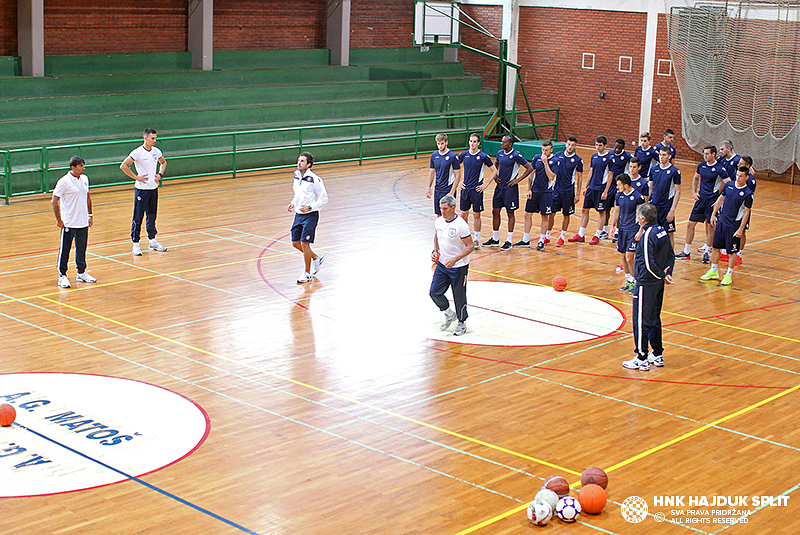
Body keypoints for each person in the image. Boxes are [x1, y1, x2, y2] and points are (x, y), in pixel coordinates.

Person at [623, 203, 675, 371]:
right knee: (653, 318)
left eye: (638, 215)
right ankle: (657, 354)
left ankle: (641, 357)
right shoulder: (661, 231)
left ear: (643, 219)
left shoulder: (647, 235)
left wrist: (660, 274)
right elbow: (670, 255)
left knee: (640, 320)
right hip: (658, 283)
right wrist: (667, 273)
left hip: (646, 283)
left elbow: (647, 262)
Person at [700, 167, 753, 286]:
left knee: (732, 251)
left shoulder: (747, 194)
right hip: (721, 222)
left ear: (746, 177)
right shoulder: (729, 185)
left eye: (741, 176)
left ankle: (728, 274)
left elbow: (746, 212)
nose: (738, 178)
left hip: (733, 225)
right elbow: (720, 199)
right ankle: (713, 271)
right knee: (716, 247)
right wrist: (713, 215)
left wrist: (741, 228)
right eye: (737, 175)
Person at [675, 145, 729, 263]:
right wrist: (694, 192)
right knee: (690, 224)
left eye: (707, 154)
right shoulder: (701, 166)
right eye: (704, 154)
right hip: (701, 200)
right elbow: (695, 178)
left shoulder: (719, 169)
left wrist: (719, 199)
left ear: (713, 154)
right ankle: (686, 251)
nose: (705, 156)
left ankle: (706, 253)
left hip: (711, 202)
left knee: (710, 227)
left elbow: (728, 184)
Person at [430, 195, 474, 336]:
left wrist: (455, 259)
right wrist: (435, 250)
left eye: (445, 208)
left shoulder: (461, 226)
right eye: (441, 208)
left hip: (458, 267)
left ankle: (462, 322)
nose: (442, 211)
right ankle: (449, 313)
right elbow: (436, 236)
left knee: (459, 296)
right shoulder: (439, 222)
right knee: (434, 292)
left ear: (453, 208)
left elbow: (470, 246)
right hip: (443, 264)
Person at [120, 128, 168, 256]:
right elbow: (124, 165)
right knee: (138, 216)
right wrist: (137, 177)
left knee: (152, 215)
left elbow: (163, 162)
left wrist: (160, 174)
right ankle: (135, 243)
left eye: (155, 138)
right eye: (152, 138)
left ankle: (152, 240)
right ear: (145, 138)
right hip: (142, 190)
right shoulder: (137, 152)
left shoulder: (156, 152)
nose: (154, 141)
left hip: (153, 189)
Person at [52, 156, 97, 288]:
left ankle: (81, 272)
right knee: (65, 249)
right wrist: (58, 219)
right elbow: (54, 200)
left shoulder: (84, 179)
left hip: (82, 221)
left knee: (81, 248)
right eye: (81, 166)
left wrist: (90, 215)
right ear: (73, 167)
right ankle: (62, 275)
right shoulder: (64, 182)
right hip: (69, 222)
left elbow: (87, 197)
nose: (84, 168)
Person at [482, 135, 533, 251]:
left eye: (504, 142)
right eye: (502, 141)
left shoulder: (516, 155)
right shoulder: (500, 153)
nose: (501, 143)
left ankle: (509, 241)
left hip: (510, 189)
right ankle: (495, 239)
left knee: (510, 213)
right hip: (499, 187)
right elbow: (496, 164)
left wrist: (517, 180)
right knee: (495, 211)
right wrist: (495, 176)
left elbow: (529, 168)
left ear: (510, 144)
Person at [288, 152, 328, 284]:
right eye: (298, 160)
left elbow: (323, 199)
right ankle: (316, 257)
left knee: (305, 244)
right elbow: (298, 195)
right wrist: (293, 203)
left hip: (310, 215)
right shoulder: (296, 177)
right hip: (298, 215)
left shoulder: (315, 179)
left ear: (309, 164)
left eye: (302, 161)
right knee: (295, 243)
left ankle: (307, 273)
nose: (299, 163)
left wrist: (310, 208)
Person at [570, 135, 612, 245]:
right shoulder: (594, 156)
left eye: (600, 145)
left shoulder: (609, 158)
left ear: (605, 145)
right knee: (585, 210)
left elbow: (610, 176)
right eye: (596, 145)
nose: (597, 147)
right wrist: (586, 186)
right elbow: (591, 172)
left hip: (601, 189)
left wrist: (606, 191)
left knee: (601, 212)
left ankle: (597, 235)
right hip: (591, 188)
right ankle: (581, 234)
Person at [457, 133, 496, 249]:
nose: (472, 144)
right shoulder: (463, 155)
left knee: (476, 214)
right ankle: (465, 237)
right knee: (463, 214)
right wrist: (458, 181)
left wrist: (485, 184)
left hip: (477, 190)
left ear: (478, 143)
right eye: (470, 141)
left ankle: (476, 239)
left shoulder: (483, 156)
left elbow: (494, 170)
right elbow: (454, 168)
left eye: (474, 141)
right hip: (465, 189)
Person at [516, 140, 556, 250]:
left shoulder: (555, 160)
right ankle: (525, 239)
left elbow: (551, 177)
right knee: (527, 214)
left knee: (544, 216)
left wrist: (546, 163)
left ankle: (541, 240)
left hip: (546, 193)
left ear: (551, 150)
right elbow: (531, 174)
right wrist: (529, 189)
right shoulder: (536, 157)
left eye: (546, 150)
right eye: (543, 150)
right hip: (535, 191)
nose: (544, 152)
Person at [610, 174, 645, 293]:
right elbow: (616, 211)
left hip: (633, 230)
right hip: (622, 230)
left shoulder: (638, 197)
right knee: (623, 256)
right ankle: (628, 280)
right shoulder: (619, 195)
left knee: (630, 257)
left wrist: (641, 230)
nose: (617, 187)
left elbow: (642, 215)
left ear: (626, 185)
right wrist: (612, 226)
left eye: (619, 185)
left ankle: (636, 282)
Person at [548, 136, 583, 247]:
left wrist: (577, 194)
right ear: (565, 144)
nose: (570, 147)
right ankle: (547, 236)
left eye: (573, 145)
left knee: (566, 214)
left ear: (575, 146)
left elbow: (580, 178)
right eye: (569, 144)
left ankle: (562, 237)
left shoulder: (577, 160)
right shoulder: (558, 155)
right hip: (556, 190)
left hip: (568, 191)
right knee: (551, 213)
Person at [647, 145, 682, 248]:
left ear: (669, 156)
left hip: (666, 207)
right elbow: (650, 188)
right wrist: (646, 203)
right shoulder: (653, 169)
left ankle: (670, 256)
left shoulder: (674, 171)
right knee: (652, 231)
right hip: (654, 206)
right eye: (660, 155)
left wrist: (672, 210)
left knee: (669, 233)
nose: (661, 157)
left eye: (664, 155)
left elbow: (678, 192)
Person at [426, 133, 462, 216]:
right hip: (437, 189)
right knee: (438, 215)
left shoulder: (452, 157)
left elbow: (458, 175)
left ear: (446, 142)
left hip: (447, 190)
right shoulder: (434, 155)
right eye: (438, 144)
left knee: (448, 215)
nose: (440, 146)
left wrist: (452, 191)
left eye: (442, 143)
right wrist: (428, 188)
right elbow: (432, 173)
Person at [606, 138, 632, 242]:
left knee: (619, 208)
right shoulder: (609, 154)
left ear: (623, 148)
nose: (617, 149)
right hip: (610, 184)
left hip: (620, 185)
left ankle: (617, 231)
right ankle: (604, 229)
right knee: (606, 207)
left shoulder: (627, 156)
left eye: (619, 148)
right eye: (615, 146)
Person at [736, 155, 757, 265]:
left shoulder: (751, 181)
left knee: (742, 230)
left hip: (743, 208)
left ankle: (740, 252)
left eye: (741, 163)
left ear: (747, 166)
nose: (739, 165)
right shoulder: (738, 175)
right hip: (733, 208)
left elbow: (749, 197)